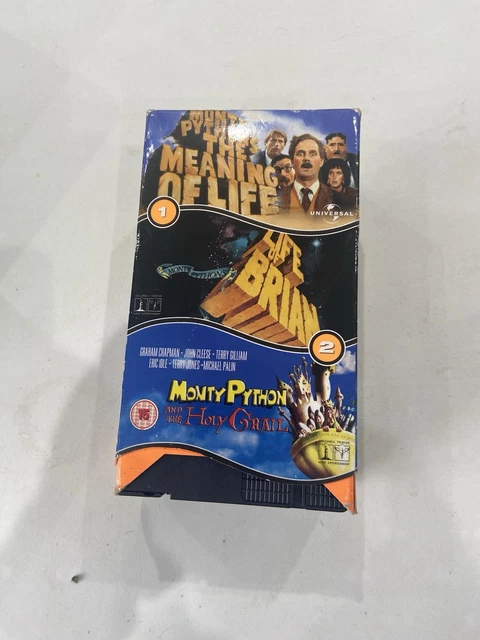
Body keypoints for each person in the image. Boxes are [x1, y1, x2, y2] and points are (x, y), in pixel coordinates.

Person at [279, 134, 333, 213]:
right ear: (292, 162)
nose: (306, 158)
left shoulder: (337, 198)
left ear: (321, 161)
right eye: (300, 154)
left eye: (312, 154)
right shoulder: (278, 196)